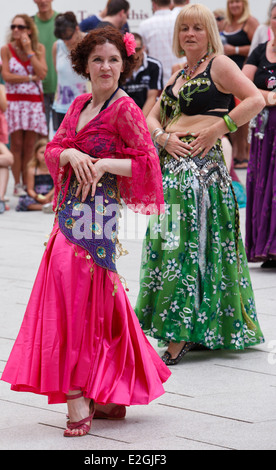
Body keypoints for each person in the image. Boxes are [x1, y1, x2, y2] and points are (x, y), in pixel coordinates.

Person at [1, 26, 171, 438]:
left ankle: (79, 392)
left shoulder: (125, 109)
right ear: (85, 65)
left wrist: (107, 164)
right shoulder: (78, 104)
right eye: (98, 59)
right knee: (90, 293)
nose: (106, 66)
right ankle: (108, 390)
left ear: (124, 64)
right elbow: (52, 149)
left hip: (100, 212)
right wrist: (73, 151)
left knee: (74, 290)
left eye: (114, 59)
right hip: (70, 211)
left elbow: (148, 165)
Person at [134, 3, 265, 366]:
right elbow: (150, 117)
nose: (190, 34)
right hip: (174, 165)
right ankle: (191, 326)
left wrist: (219, 128)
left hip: (201, 169)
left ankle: (181, 333)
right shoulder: (177, 75)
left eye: (197, 28)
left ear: (209, 32)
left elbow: (254, 99)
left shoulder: (220, 65)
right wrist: (162, 138)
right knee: (172, 242)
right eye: (184, 28)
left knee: (188, 245)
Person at [242, 1, 276, 269]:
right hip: (264, 133)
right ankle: (266, 247)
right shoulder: (260, 51)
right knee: (263, 184)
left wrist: (263, 97)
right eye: (274, 18)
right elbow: (242, 88)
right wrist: (270, 97)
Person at [0, 14, 48, 197]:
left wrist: (29, 51)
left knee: (30, 145)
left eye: (20, 27)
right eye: (13, 27)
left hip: (33, 103)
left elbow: (42, 73)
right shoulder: (6, 49)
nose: (15, 30)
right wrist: (29, 78)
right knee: (16, 144)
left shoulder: (39, 48)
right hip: (15, 102)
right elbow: (6, 76)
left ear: (29, 30)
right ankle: (17, 184)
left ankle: (28, 183)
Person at [222, 0, 259, 169]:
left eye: (237, 2)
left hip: (244, 74)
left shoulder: (250, 22)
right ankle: (236, 151)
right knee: (230, 112)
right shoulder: (227, 24)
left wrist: (235, 50)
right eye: (231, 2)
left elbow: (257, 48)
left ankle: (243, 153)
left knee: (242, 114)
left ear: (244, 4)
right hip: (226, 76)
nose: (234, 5)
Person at [52, 12, 88, 131]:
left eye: (68, 37)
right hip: (62, 105)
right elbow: (59, 74)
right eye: (62, 38)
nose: (66, 41)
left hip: (86, 105)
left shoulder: (90, 42)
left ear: (76, 28)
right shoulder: (57, 46)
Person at [139, 0, 184, 86]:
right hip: (180, 77)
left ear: (153, 4)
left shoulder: (144, 25)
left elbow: (143, 54)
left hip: (157, 81)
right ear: (171, 3)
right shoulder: (179, 21)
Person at [122, 33, 163, 116]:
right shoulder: (121, 66)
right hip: (125, 113)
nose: (133, 54)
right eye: (129, 50)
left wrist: (140, 121)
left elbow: (152, 97)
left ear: (143, 48)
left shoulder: (154, 65)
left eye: (137, 50)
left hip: (146, 113)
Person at [33, 0, 58, 132]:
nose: (43, 1)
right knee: (39, 137)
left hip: (61, 90)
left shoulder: (62, 21)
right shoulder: (29, 24)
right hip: (36, 89)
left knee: (62, 136)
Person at [16, 138, 54, 212]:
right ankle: (44, 207)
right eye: (42, 152)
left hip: (51, 195)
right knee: (24, 201)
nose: (45, 155)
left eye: (48, 152)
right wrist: (36, 197)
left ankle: (51, 204)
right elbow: (30, 189)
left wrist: (48, 196)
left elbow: (57, 187)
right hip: (37, 196)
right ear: (36, 154)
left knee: (59, 197)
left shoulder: (54, 168)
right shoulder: (32, 169)